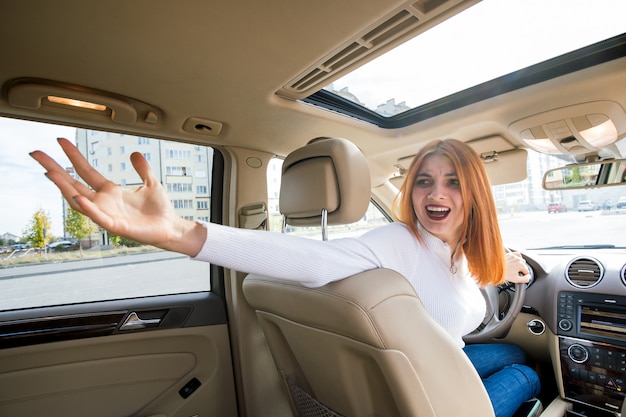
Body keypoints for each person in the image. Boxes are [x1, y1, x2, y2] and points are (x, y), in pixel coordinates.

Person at [31, 137, 540, 417]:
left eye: (453, 182)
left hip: (438, 362)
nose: (436, 193)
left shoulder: (457, 254)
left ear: (474, 195)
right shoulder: (396, 243)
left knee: (513, 350)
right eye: (425, 180)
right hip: (432, 395)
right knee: (528, 371)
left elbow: (461, 275)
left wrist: (502, 269)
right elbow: (313, 261)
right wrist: (180, 232)